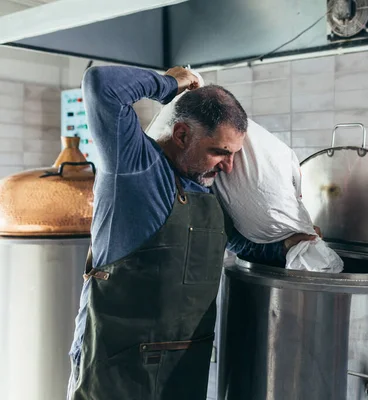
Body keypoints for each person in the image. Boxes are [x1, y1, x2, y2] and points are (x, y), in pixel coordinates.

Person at [66, 65, 315, 400]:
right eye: (220, 152)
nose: (228, 166)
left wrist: (291, 246)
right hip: (117, 371)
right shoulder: (136, 167)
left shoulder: (208, 191)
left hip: (184, 373)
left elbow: (238, 243)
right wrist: (170, 84)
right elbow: (101, 85)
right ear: (182, 135)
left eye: (234, 155)